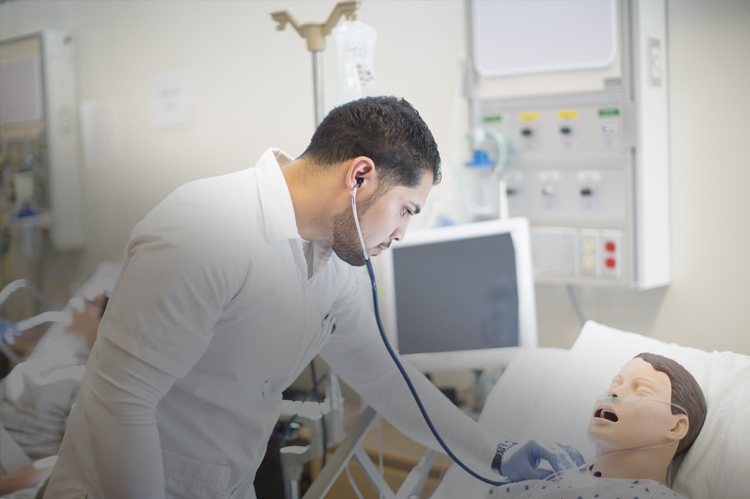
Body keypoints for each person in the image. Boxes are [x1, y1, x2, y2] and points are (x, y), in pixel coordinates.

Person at [45, 96, 582, 499]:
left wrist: (495, 452)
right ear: (360, 176)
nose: (401, 235)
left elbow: (387, 380)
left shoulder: (332, 262)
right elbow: (124, 402)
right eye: (406, 210)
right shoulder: (202, 231)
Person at [487, 352, 707, 499]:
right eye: (615, 384)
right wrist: (500, 460)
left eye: (642, 390)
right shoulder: (549, 477)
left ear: (676, 427)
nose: (613, 393)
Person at [0, 295, 107, 498]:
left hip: (9, 455)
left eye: (90, 302)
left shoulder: (90, 377)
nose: (75, 303)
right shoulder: (67, 354)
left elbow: (69, 460)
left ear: (106, 321)